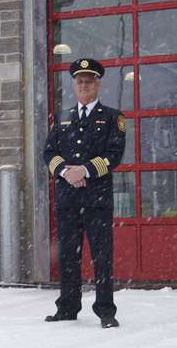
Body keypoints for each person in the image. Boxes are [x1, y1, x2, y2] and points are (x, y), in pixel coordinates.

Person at [43, 58, 127, 328]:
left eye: (88, 81)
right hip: (67, 199)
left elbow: (114, 155)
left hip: (96, 199)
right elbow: (49, 152)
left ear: (97, 84)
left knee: (101, 256)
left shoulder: (113, 117)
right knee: (68, 255)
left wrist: (85, 170)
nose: (83, 85)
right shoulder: (63, 117)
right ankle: (67, 306)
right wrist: (67, 173)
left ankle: (105, 310)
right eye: (79, 82)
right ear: (74, 85)